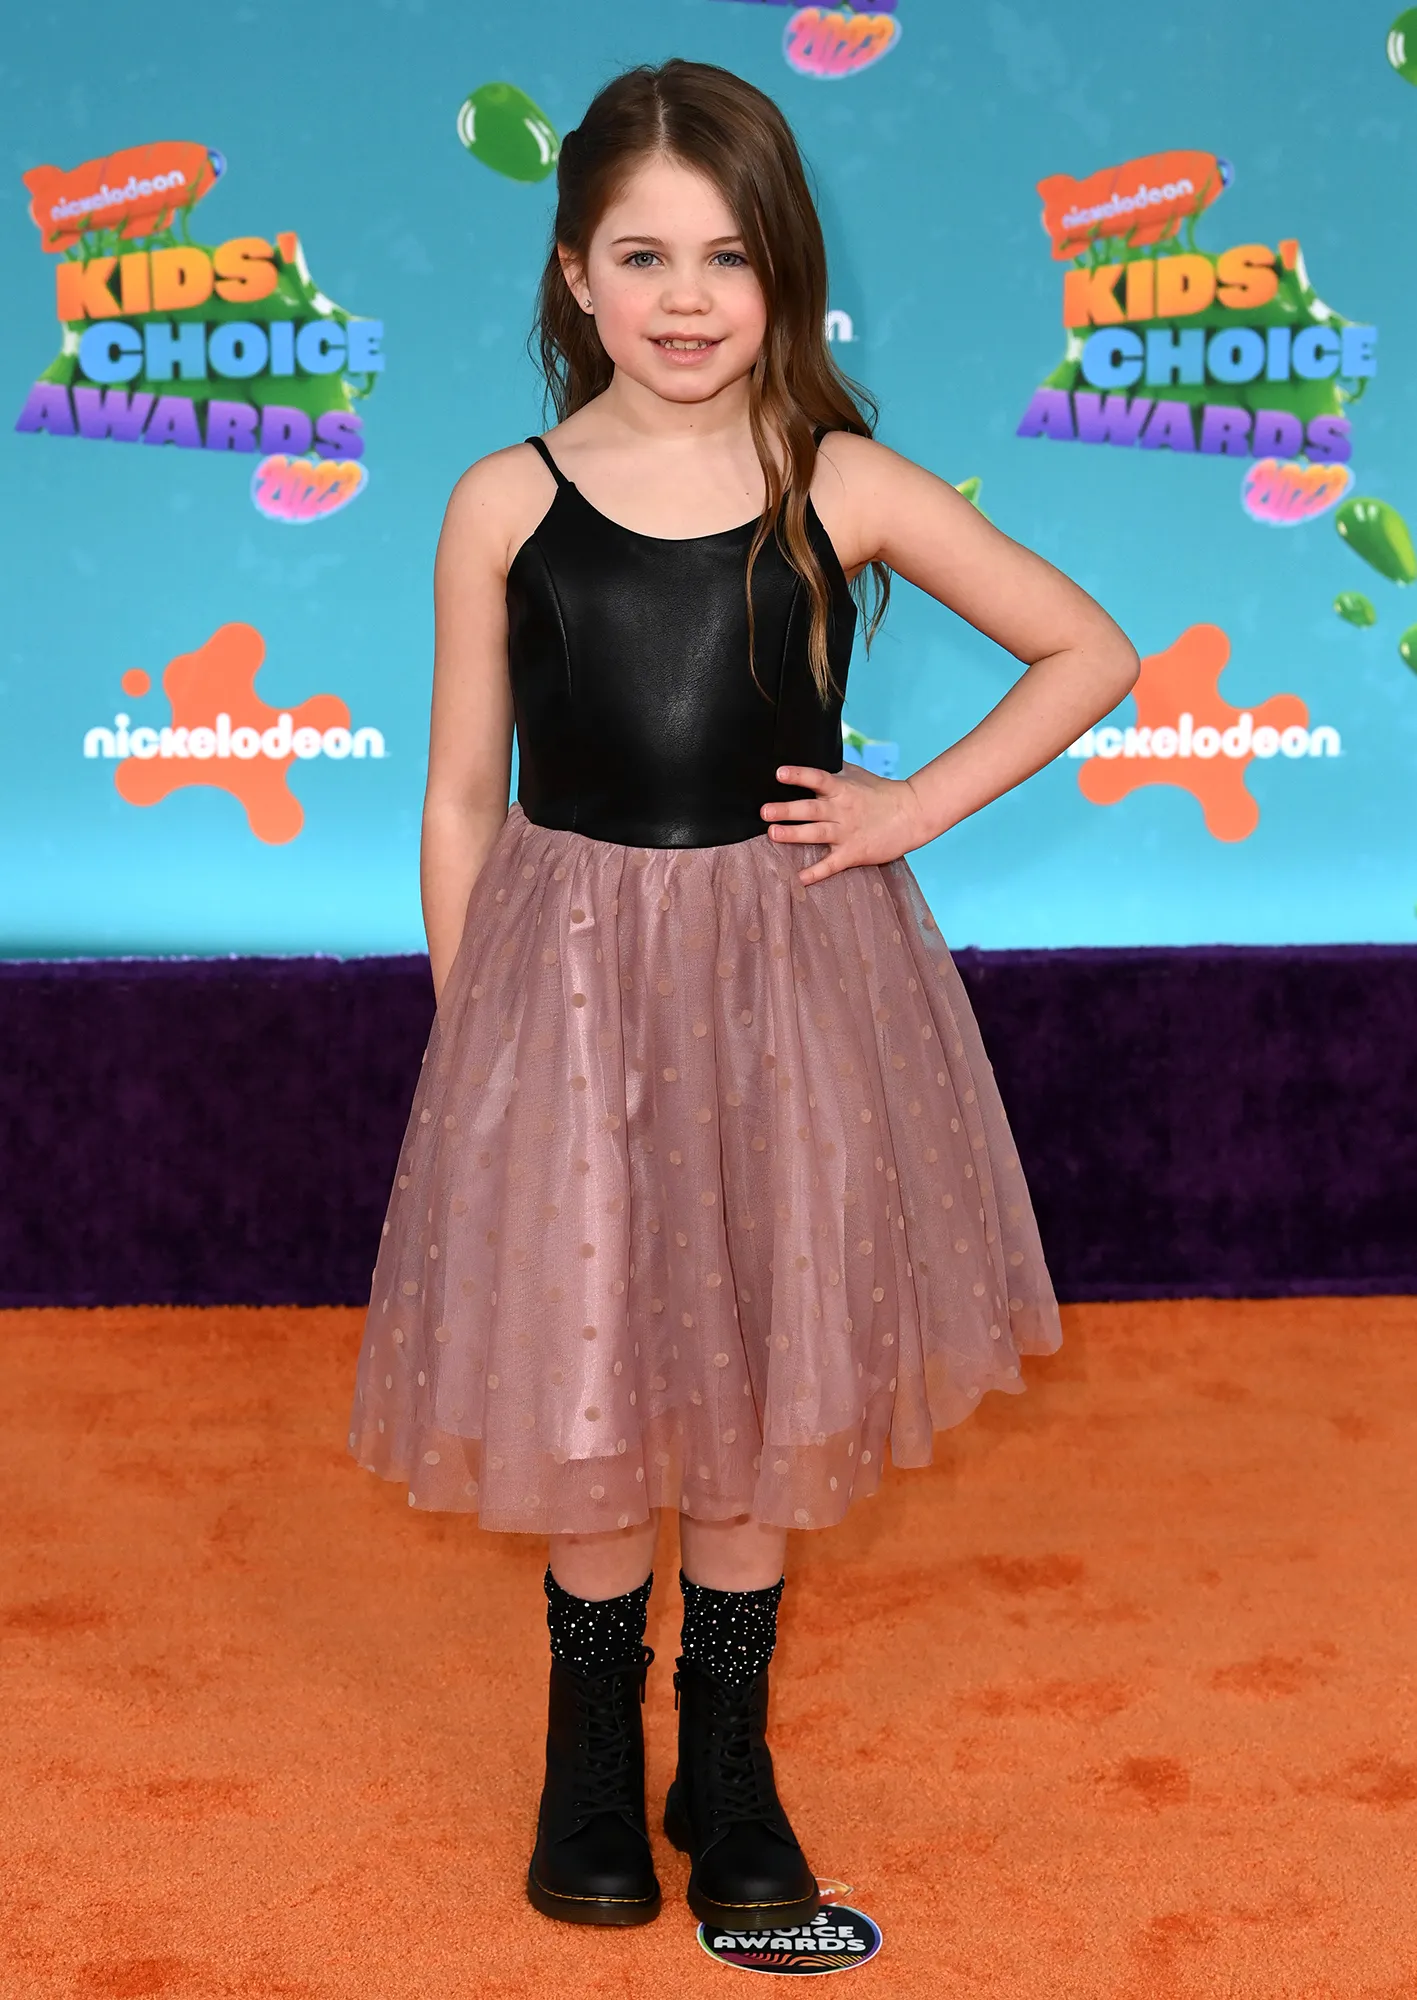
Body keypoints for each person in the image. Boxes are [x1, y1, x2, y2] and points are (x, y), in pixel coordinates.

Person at [348, 57, 1138, 1934]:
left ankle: (729, 1766)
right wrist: (479, 1039)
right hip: (567, 1002)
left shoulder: (839, 484)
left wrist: (908, 806)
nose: (687, 298)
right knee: (594, 1371)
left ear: (785, 276)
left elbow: (1088, 650)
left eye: (728, 257)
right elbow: (461, 798)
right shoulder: (501, 502)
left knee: (766, 1367)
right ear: (573, 274)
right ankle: (588, 1771)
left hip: (792, 992)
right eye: (643, 256)